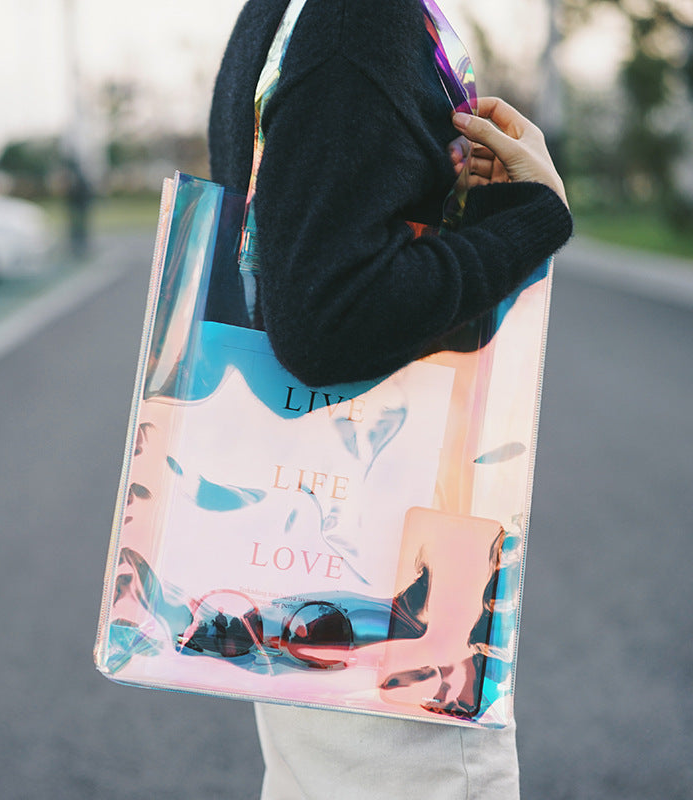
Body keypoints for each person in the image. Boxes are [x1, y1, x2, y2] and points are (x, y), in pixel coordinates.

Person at [208, 0, 573, 797]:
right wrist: (533, 218)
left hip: (323, 551)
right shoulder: (358, 17)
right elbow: (328, 314)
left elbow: (314, 247)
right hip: (385, 573)